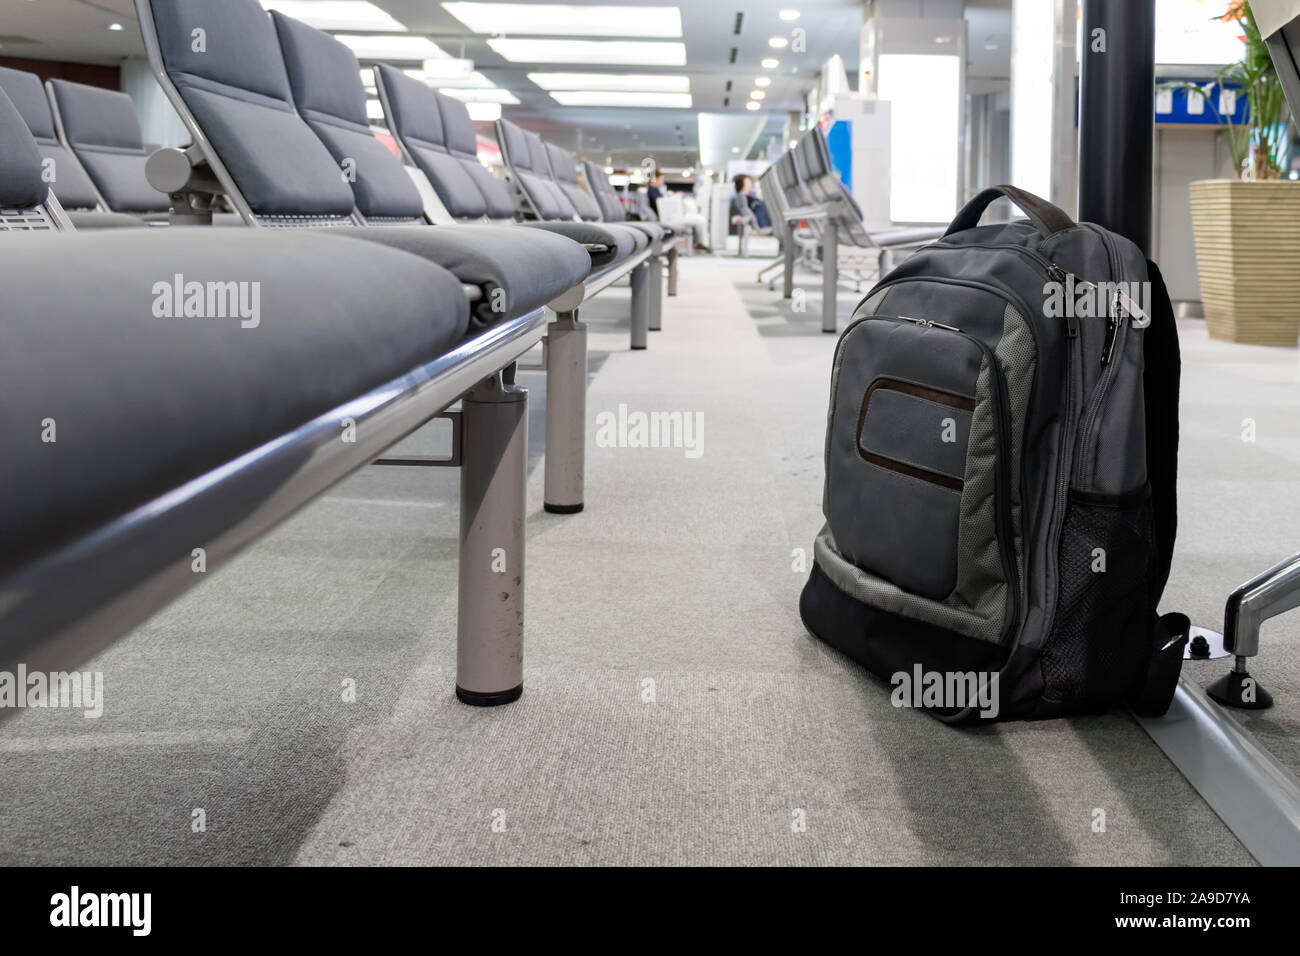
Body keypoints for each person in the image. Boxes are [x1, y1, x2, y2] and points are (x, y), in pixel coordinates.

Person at [647, 170, 711, 252]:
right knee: (700, 220)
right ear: (655, 179)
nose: (662, 182)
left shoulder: (655, 190)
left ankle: (698, 243)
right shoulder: (652, 191)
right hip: (669, 218)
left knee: (698, 219)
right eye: (661, 180)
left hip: (670, 216)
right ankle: (699, 243)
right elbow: (661, 205)